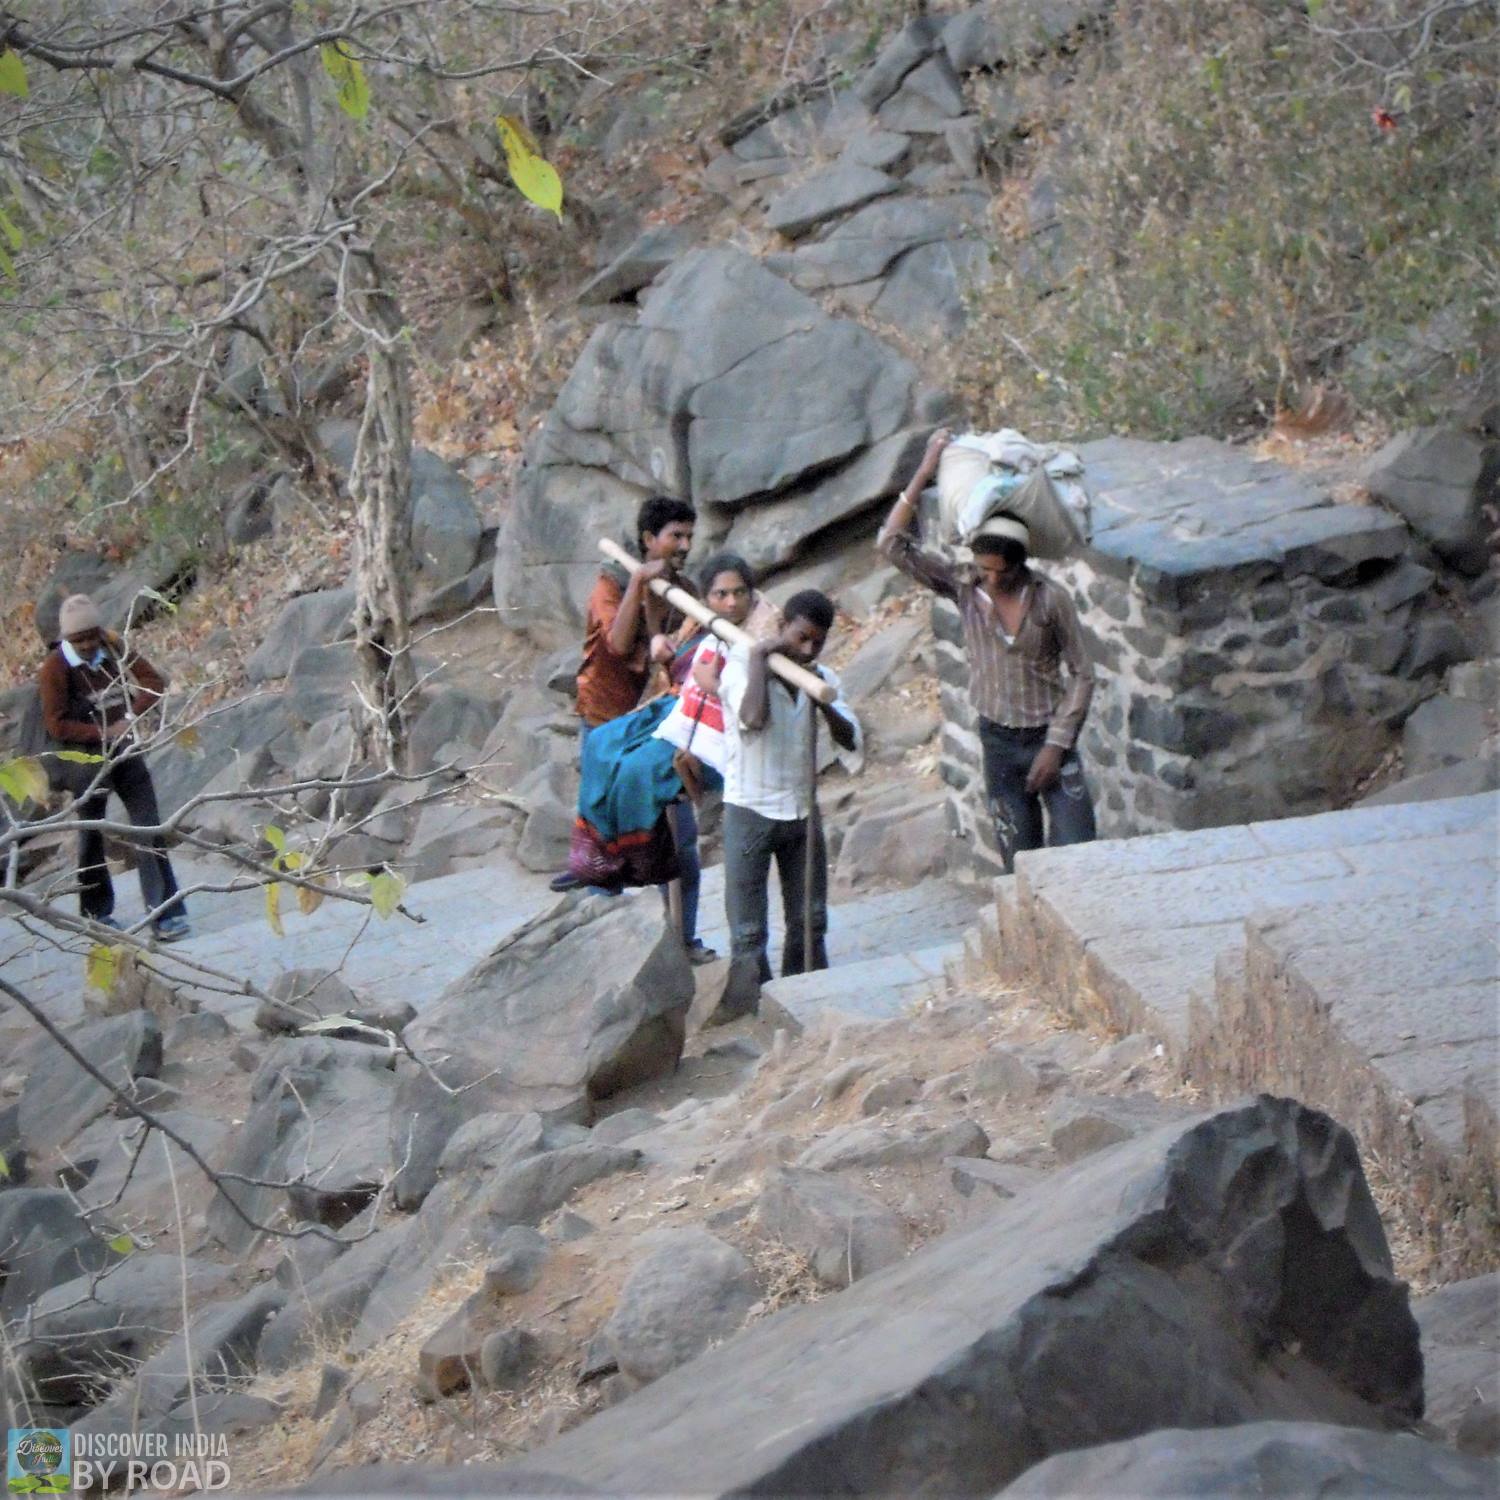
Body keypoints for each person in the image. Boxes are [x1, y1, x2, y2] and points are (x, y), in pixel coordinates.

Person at [878, 428, 1096, 872]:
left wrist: (1056, 746)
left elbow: (1083, 673)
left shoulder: (1051, 599)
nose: (989, 579)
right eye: (982, 568)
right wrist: (924, 469)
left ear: (1020, 564)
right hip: (998, 742)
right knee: (1019, 866)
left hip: (1048, 737)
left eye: (1000, 571)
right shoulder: (964, 588)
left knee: (1081, 855)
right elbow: (889, 545)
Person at [707, 590, 859, 1025]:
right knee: (749, 931)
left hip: (801, 812)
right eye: (800, 638)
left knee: (810, 918)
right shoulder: (740, 667)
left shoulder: (822, 676)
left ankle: (809, 1007)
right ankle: (759, 1018)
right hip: (749, 812)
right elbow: (751, 719)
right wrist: (760, 662)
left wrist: (824, 703)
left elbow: (850, 738)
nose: (808, 650)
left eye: (817, 641)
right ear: (781, 629)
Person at [552, 494, 697, 893]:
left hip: (660, 729)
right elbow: (617, 645)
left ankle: (683, 940)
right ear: (649, 539)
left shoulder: (685, 593)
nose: (685, 546)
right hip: (607, 719)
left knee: (679, 840)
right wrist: (638, 582)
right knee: (604, 833)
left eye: (689, 536)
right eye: (675, 536)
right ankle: (605, 929)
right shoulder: (611, 584)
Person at [37, 593, 191, 941]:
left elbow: (153, 681)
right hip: (87, 764)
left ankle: (165, 912)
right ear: (66, 640)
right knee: (91, 834)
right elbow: (56, 725)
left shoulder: (113, 647)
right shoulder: (54, 670)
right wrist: (103, 732)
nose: (89, 645)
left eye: (93, 636)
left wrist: (130, 716)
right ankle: (96, 913)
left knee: (149, 826)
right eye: (80, 640)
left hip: (125, 752)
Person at [652, 553, 781, 962]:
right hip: (720, 765)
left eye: (739, 592)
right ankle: (736, 966)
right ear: (706, 598)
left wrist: (717, 682)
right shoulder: (707, 636)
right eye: (720, 594)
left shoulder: (767, 632)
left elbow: (753, 707)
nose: (730, 603)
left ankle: (769, 966)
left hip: (760, 774)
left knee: (753, 876)